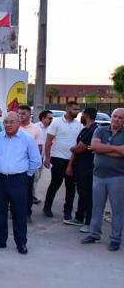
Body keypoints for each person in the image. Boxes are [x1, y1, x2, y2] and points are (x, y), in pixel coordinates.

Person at [0, 112, 41, 255]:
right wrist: (0, 168)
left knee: (19, 212)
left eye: (12, 122)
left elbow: (36, 160)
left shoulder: (27, 139)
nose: (8, 125)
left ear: (18, 123)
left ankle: (21, 242)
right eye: (5, 122)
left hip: (19, 180)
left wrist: (26, 175)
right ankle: (0, 240)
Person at [81, 108, 124, 251]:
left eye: (120, 118)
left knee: (117, 210)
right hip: (98, 175)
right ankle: (94, 234)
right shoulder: (100, 130)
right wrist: (117, 149)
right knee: (97, 207)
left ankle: (115, 239)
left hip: (118, 177)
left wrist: (102, 149)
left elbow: (99, 148)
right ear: (111, 117)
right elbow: (94, 146)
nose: (117, 119)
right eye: (115, 116)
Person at [43, 101, 83, 221]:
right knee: (55, 183)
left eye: (78, 110)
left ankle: (67, 212)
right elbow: (49, 141)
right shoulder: (56, 123)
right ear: (68, 109)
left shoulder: (79, 125)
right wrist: (47, 157)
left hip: (72, 160)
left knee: (70, 187)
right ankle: (47, 207)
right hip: (57, 158)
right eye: (75, 109)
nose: (77, 112)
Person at [67, 107, 98, 232]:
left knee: (88, 195)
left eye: (82, 114)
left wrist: (73, 148)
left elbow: (80, 148)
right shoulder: (85, 129)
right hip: (79, 167)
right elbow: (78, 148)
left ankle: (89, 222)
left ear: (86, 115)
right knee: (81, 193)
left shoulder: (93, 130)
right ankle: (79, 218)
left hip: (88, 168)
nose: (81, 116)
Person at [17, 105, 43, 220]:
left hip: (27, 167)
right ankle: (15, 212)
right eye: (19, 113)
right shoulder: (14, 127)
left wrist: (32, 167)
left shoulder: (36, 129)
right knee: (14, 192)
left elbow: (39, 149)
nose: (20, 115)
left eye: (23, 113)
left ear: (29, 114)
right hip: (14, 166)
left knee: (27, 192)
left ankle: (27, 213)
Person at [33, 110, 53, 204]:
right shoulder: (36, 127)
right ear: (43, 118)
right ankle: (31, 196)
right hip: (35, 157)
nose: (51, 120)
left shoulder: (51, 128)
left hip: (43, 157)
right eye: (49, 118)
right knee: (34, 177)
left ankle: (32, 195)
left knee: (37, 177)